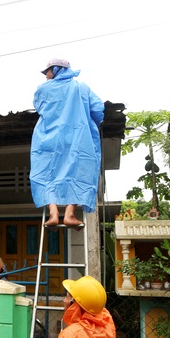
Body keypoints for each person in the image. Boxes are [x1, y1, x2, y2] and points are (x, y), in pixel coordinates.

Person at [30, 59, 105, 227]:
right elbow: (98, 108)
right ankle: (70, 214)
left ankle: (54, 214)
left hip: (48, 138)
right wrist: (90, 121)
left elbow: (39, 107)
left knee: (46, 173)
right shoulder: (81, 88)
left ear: (56, 70)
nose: (46, 76)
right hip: (77, 138)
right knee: (79, 173)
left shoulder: (43, 89)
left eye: (47, 72)